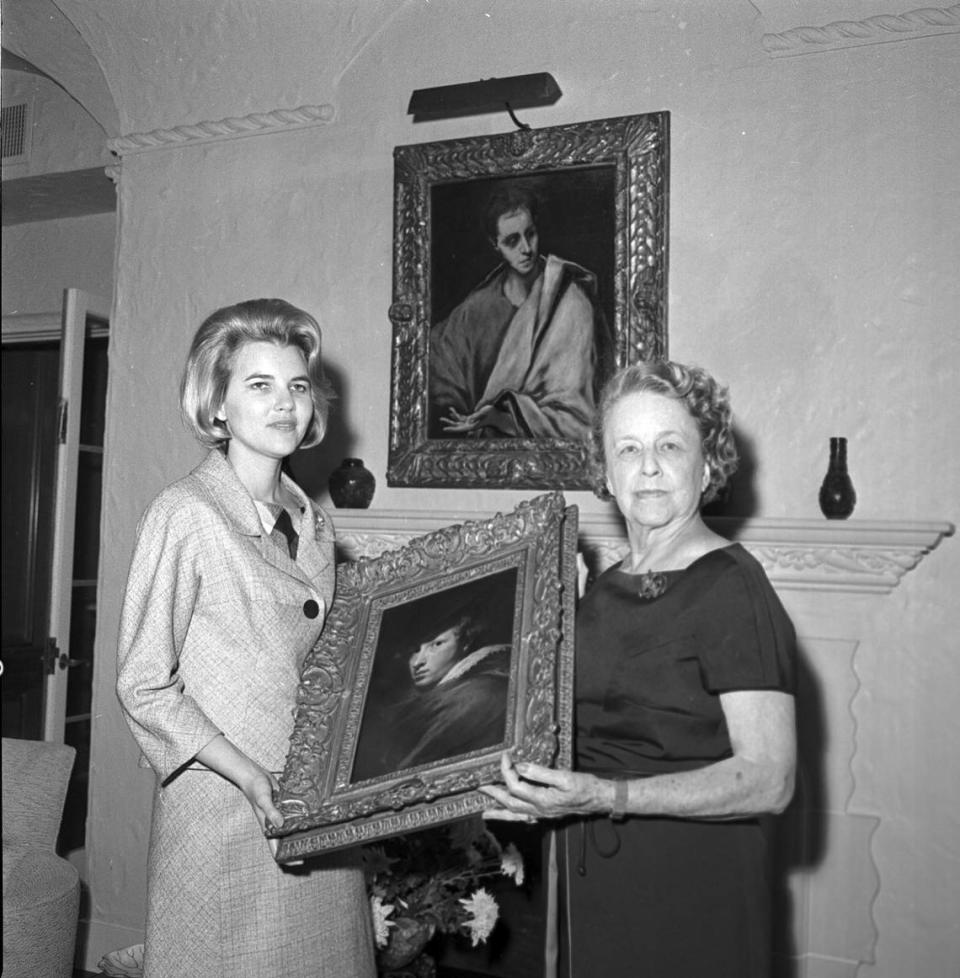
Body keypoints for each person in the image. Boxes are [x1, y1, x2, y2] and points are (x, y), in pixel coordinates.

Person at [482, 360, 797, 978]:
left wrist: (607, 795)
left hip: (688, 893)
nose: (647, 467)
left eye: (670, 446)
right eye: (627, 449)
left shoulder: (733, 585)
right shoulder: (604, 588)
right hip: (591, 888)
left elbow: (770, 779)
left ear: (708, 467)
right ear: (604, 471)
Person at [116, 298, 375, 978]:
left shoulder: (312, 521)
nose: (285, 402)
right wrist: (249, 775)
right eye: (259, 385)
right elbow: (143, 685)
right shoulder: (187, 515)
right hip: (225, 814)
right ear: (218, 405)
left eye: (296, 385)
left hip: (315, 811)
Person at [428, 183, 609, 441]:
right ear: (495, 244)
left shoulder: (572, 303)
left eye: (530, 234)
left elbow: (579, 419)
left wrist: (502, 417)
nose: (526, 248)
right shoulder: (477, 308)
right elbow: (439, 362)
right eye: (512, 241)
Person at [352, 609, 512, 781]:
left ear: (465, 643)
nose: (418, 662)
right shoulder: (440, 694)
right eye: (414, 650)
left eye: (437, 644)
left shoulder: (478, 695)